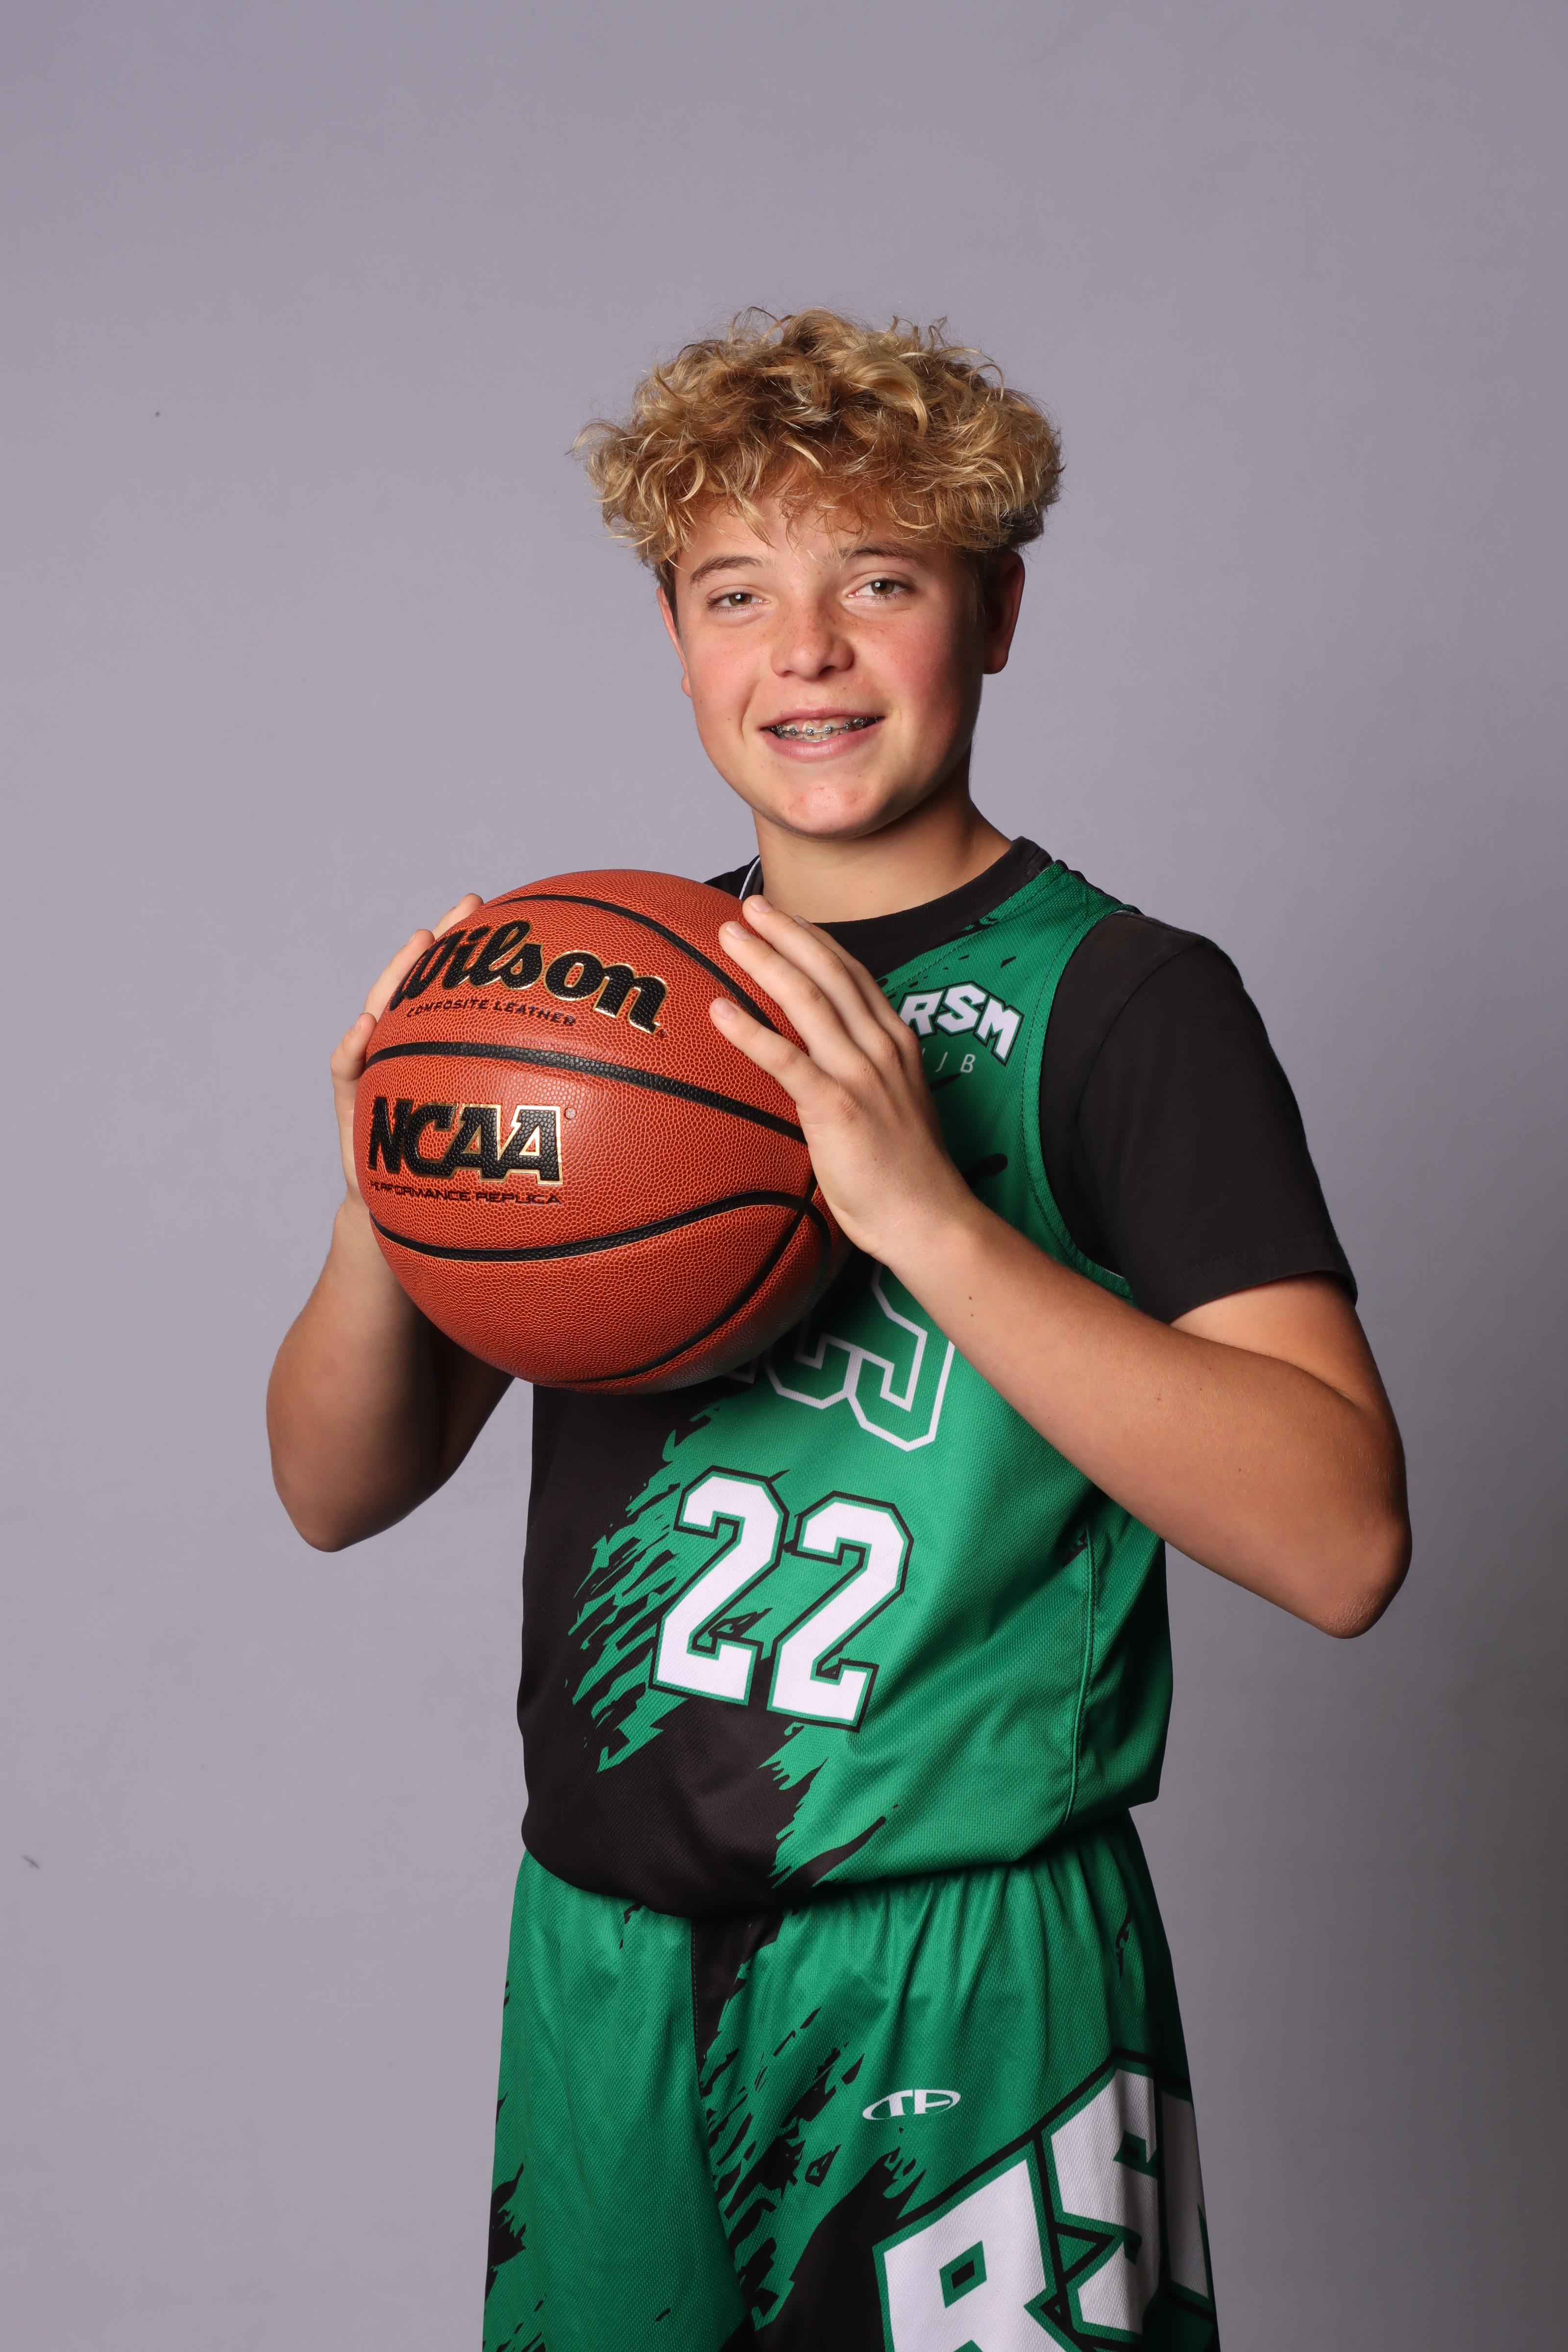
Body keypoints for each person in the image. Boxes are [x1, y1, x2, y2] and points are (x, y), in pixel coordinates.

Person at [268, 310, 1409, 2351]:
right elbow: (333, 1490)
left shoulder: (1126, 1006)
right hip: (606, 1943)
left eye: (877, 582)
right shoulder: (607, 1005)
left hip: (959, 1948)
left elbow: (1340, 1543)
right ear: (674, 635)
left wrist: (926, 1219)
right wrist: (397, 1171)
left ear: (994, 614)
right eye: (736, 594)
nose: (803, 650)